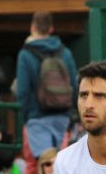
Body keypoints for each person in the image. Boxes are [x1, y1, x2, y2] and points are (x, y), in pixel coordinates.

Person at [15, 11, 78, 160]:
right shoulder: (65, 52)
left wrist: (25, 117)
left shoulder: (25, 54)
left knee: (44, 165)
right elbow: (75, 86)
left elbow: (22, 91)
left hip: (37, 117)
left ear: (32, 27)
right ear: (51, 29)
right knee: (62, 165)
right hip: (63, 117)